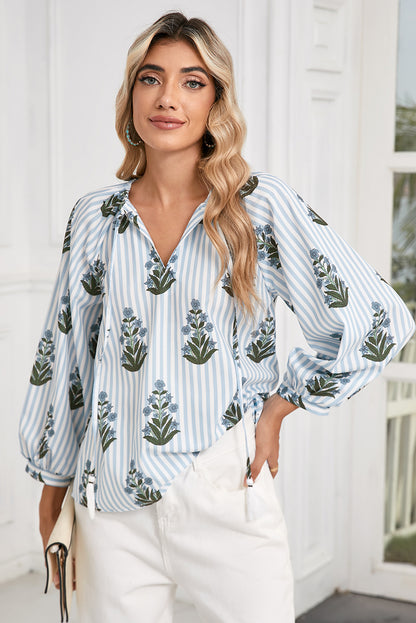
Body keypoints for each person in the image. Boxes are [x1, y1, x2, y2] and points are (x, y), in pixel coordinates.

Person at [19, 11, 415, 623]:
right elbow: (67, 359)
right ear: (131, 97)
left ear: (216, 102)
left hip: (224, 486)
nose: (168, 97)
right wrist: (53, 486)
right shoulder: (94, 218)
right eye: (151, 78)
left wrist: (279, 408)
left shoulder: (257, 209)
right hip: (111, 501)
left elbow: (378, 318)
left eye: (192, 81)